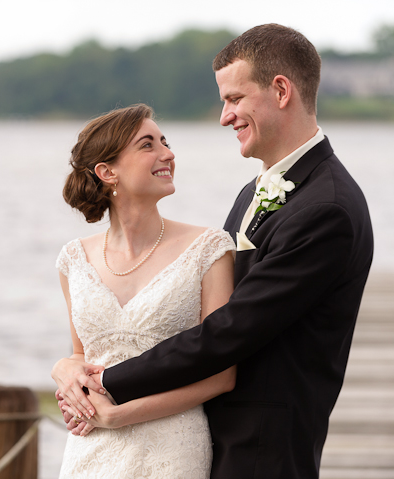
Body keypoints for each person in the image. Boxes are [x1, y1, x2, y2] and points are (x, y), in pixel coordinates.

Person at [52, 24, 374, 479]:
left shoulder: (328, 209)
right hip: (204, 436)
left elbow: (226, 332)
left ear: (280, 90)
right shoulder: (254, 192)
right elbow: (201, 313)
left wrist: (105, 381)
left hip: (263, 450)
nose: (225, 116)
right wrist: (67, 366)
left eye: (234, 98)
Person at [54, 102, 237, 478]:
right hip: (89, 451)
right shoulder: (75, 259)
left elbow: (222, 376)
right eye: (147, 144)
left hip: (171, 449)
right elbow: (79, 354)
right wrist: (63, 372)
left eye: (165, 141)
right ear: (108, 172)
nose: (168, 153)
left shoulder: (209, 249)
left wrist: (119, 416)